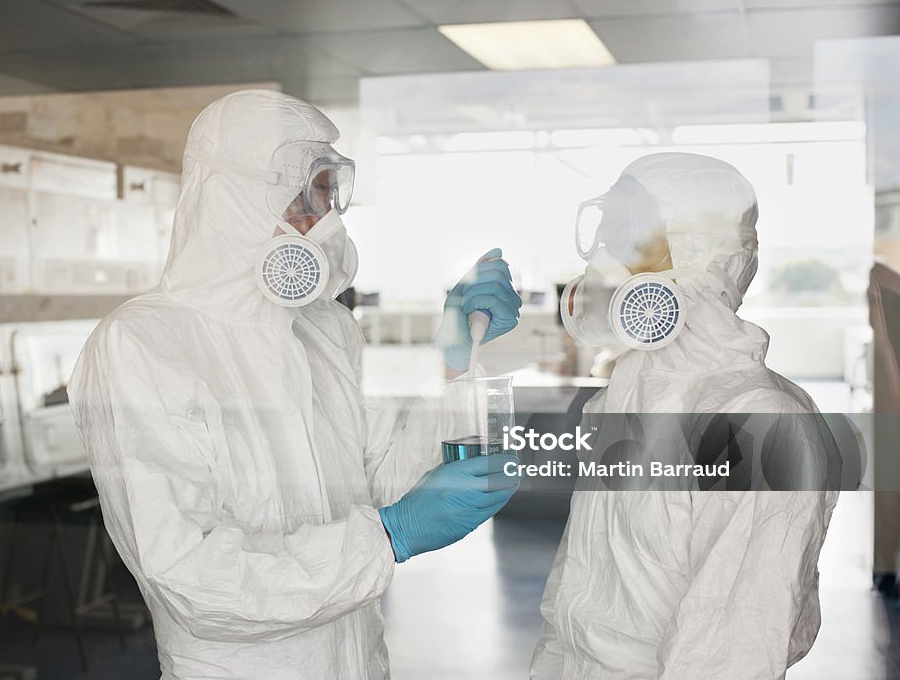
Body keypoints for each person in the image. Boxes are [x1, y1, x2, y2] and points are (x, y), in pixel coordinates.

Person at [67, 89, 522, 679]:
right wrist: (388, 537)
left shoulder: (326, 328)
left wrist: (452, 358)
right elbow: (190, 579)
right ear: (232, 197)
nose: (325, 219)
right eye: (308, 193)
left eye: (332, 193)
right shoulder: (143, 343)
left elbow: (382, 479)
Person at [533, 152, 840, 679]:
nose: (606, 258)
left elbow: (732, 650)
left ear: (704, 253)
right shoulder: (629, 393)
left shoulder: (760, 422)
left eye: (630, 234)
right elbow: (577, 589)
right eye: (606, 233)